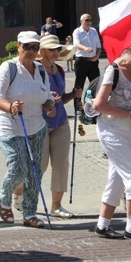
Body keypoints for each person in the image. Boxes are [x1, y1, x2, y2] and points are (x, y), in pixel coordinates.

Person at [0, 31, 55, 228]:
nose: (30, 51)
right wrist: (10, 107)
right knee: (18, 167)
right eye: (26, 47)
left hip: (36, 127)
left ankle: (29, 213)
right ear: (18, 46)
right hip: (10, 126)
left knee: (35, 172)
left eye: (35, 47)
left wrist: (49, 106)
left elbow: (46, 97)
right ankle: (3, 200)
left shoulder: (41, 70)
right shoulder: (8, 68)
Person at [91, 41, 131, 241]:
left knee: (116, 178)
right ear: (128, 48)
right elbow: (99, 105)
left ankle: (102, 224)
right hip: (112, 131)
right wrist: (127, 115)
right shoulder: (114, 70)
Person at [35, 35, 80, 218]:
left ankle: (56, 206)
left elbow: (61, 98)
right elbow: (31, 98)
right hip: (41, 123)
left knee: (61, 164)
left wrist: (73, 95)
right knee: (40, 165)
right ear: (43, 51)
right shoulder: (36, 71)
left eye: (57, 49)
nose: (56, 52)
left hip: (60, 121)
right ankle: (19, 191)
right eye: (52, 49)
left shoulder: (60, 70)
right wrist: (46, 100)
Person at [72, 13, 101, 90]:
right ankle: (77, 102)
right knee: (79, 85)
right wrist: (85, 48)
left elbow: (98, 46)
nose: (89, 22)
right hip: (81, 61)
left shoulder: (94, 31)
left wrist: (97, 56)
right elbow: (76, 44)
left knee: (97, 84)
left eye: (90, 20)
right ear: (81, 21)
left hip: (93, 61)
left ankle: (95, 101)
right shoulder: (77, 31)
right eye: (87, 20)